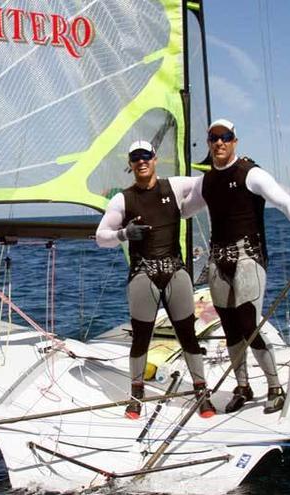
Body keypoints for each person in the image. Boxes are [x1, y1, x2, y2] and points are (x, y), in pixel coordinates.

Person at [182, 119, 290, 414]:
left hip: (249, 258)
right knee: (231, 328)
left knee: (249, 324)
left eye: (226, 137)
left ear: (235, 141)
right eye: (213, 138)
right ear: (208, 143)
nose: (219, 142)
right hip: (219, 261)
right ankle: (243, 386)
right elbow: (182, 210)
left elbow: (284, 201)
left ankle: (274, 387)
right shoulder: (204, 182)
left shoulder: (251, 174)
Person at [96, 140, 216, 420]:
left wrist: (215, 164)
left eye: (146, 157)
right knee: (141, 338)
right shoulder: (122, 199)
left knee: (188, 334)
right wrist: (123, 234)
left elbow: (204, 184)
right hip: (143, 273)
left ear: (155, 159)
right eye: (135, 158)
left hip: (175, 270)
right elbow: (101, 237)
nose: (141, 162)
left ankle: (201, 392)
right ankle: (136, 395)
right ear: (130, 163)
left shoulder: (173, 186)